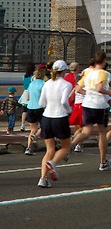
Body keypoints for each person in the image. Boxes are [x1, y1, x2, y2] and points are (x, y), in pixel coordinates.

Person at [71, 51, 111, 172]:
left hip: (87, 104)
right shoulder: (104, 73)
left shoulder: (87, 73)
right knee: (102, 133)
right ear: (104, 61)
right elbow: (99, 88)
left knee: (86, 130)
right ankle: (103, 161)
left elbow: (78, 88)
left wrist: (88, 93)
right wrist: (110, 93)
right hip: (99, 105)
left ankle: (72, 144)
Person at [38, 60, 72, 188]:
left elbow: (41, 103)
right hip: (60, 117)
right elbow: (64, 101)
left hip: (46, 117)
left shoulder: (47, 83)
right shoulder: (66, 84)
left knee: (49, 150)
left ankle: (43, 178)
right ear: (64, 71)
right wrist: (69, 110)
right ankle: (53, 163)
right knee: (66, 147)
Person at [25, 68, 45, 155]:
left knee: (33, 129)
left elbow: (27, 97)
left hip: (30, 107)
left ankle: (29, 148)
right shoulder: (44, 84)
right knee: (44, 126)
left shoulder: (31, 84)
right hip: (39, 107)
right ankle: (36, 136)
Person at [19, 62, 35, 131]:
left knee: (24, 111)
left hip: (25, 93)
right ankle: (34, 125)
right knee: (32, 110)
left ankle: (22, 125)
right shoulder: (33, 77)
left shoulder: (24, 77)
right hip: (31, 94)